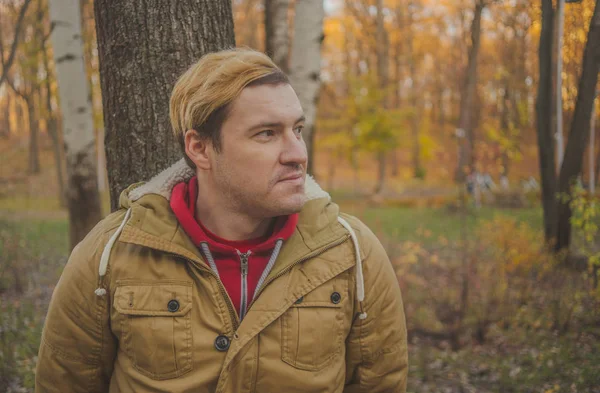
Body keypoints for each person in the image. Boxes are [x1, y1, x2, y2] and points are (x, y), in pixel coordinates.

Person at [35, 48, 408, 393]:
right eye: (267, 134)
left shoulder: (352, 254)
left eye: (297, 130)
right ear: (199, 148)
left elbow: (382, 383)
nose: (297, 154)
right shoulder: (111, 253)